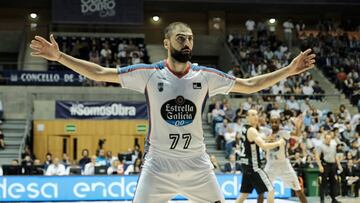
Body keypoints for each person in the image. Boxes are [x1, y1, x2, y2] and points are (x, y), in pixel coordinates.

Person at [30, 21, 315, 203]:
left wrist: (289, 70)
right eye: (180, 38)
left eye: (190, 39)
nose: (187, 43)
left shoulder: (206, 76)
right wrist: (59, 57)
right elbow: (100, 72)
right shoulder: (149, 74)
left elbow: (251, 85)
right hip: (158, 166)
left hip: (197, 165)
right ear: (166, 43)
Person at [236, 109, 285, 203]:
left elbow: (254, 139)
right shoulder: (252, 130)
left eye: (256, 115)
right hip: (254, 167)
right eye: (252, 115)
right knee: (271, 190)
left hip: (245, 166)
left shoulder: (244, 128)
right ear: (247, 117)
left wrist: (267, 138)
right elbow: (264, 146)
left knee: (244, 194)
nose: (255, 117)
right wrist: (279, 143)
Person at [261, 113, 307, 203]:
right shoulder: (266, 132)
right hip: (270, 165)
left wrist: (298, 125)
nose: (274, 124)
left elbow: (297, 134)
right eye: (272, 122)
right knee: (261, 190)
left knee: (298, 189)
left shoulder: (284, 133)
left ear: (279, 123)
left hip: (284, 164)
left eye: (276, 122)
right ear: (270, 123)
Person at [315, 133, 342, 203]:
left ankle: (333, 199)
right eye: (327, 139)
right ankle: (322, 199)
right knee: (323, 183)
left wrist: (339, 165)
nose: (328, 140)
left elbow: (336, 156)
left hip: (333, 165)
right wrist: (320, 166)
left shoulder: (333, 146)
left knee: (334, 182)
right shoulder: (321, 146)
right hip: (325, 165)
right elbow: (317, 156)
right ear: (324, 139)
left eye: (330, 139)